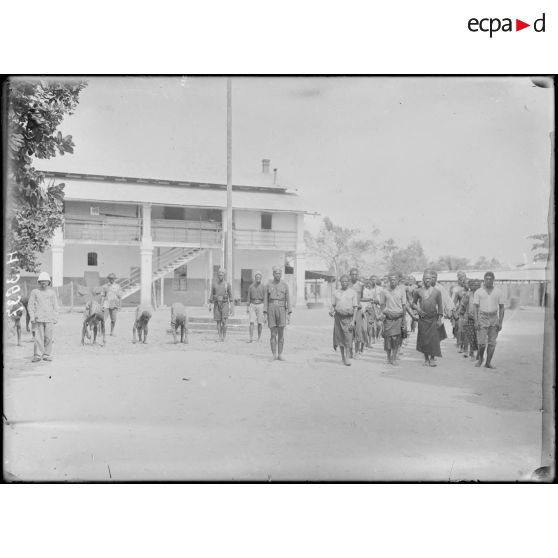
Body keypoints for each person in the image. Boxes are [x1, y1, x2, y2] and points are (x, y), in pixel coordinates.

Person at [473, 271, 505, 369]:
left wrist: (500, 321)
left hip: (494, 318)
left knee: (492, 343)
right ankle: (480, 359)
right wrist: (476, 321)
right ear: (484, 280)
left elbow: (502, 307)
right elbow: (475, 307)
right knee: (482, 343)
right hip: (482, 317)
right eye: (486, 279)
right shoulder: (478, 292)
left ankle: (488, 363)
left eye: (490, 279)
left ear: (493, 280)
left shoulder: (498, 292)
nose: (488, 281)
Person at [412, 271, 444, 367]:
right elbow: (413, 303)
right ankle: (426, 359)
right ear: (423, 280)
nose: (427, 280)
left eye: (429, 279)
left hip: (433, 318)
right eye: (426, 279)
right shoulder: (418, 291)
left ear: (432, 280)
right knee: (424, 339)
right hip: (423, 319)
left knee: (434, 339)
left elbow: (440, 307)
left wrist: (439, 319)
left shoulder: (437, 292)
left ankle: (432, 359)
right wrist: (418, 309)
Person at [27, 272, 59, 362]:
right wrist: (32, 317)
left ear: (49, 282)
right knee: (38, 338)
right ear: (39, 282)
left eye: (45, 281)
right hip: (38, 319)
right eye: (41, 281)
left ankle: (46, 354)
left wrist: (55, 317)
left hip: (49, 319)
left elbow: (55, 306)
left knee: (48, 337)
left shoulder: (52, 293)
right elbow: (30, 306)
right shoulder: (35, 292)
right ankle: (37, 355)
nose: (43, 283)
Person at [263, 266, 292, 361]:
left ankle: (280, 354)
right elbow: (266, 300)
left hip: (282, 309)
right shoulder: (268, 284)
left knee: (281, 333)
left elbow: (288, 299)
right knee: (272, 333)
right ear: (273, 274)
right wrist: (265, 314)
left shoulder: (285, 285)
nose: (278, 275)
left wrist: (289, 314)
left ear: (281, 274)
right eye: (276, 273)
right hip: (271, 308)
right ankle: (273, 355)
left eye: (279, 273)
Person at [330, 274, 358, 366]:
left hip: (348, 318)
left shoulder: (353, 293)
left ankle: (347, 358)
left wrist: (353, 321)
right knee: (340, 338)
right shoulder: (336, 292)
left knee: (348, 338)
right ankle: (343, 358)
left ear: (348, 282)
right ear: (340, 282)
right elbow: (333, 305)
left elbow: (355, 308)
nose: (344, 283)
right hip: (338, 317)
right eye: (343, 281)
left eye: (346, 281)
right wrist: (331, 311)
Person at [379, 273, 407, 365]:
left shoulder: (402, 291)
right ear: (389, 280)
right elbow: (382, 305)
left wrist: (403, 319)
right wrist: (385, 313)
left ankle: (394, 358)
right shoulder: (384, 291)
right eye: (391, 279)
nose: (393, 281)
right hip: (388, 317)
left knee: (396, 338)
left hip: (398, 317)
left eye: (394, 279)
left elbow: (404, 306)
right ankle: (388, 358)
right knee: (388, 338)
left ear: (398, 280)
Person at [209, 268, 233, 341]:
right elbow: (211, 295)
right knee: (218, 321)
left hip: (225, 303)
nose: (220, 276)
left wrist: (231, 306)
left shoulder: (227, 284)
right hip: (217, 304)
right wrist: (210, 304)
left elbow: (230, 296)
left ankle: (224, 336)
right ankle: (220, 336)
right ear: (217, 275)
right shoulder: (214, 284)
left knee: (224, 321)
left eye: (222, 275)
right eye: (219, 275)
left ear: (224, 275)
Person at [348, 267, 367, 358]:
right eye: (353, 274)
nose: (354, 276)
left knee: (358, 331)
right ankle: (350, 351)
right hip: (349, 310)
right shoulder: (347, 285)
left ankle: (356, 352)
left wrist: (369, 300)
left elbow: (361, 297)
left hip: (358, 310)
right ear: (350, 275)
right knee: (349, 331)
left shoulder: (361, 285)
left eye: (356, 274)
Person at [430, 270, 453, 343]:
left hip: (438, 313)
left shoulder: (440, 288)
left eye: (435, 277)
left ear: (437, 278)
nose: (433, 279)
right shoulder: (425, 287)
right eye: (431, 277)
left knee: (438, 331)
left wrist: (449, 310)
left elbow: (447, 299)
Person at [460, 279, 481, 359]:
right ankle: (471, 353)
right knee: (471, 336)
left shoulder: (482, 294)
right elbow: (463, 304)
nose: (475, 286)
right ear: (470, 286)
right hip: (470, 318)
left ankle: (478, 353)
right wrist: (462, 313)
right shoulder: (468, 295)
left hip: (480, 318)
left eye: (477, 285)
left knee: (478, 337)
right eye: (473, 285)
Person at [246, 270, 266, 343]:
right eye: (257, 277)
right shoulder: (251, 286)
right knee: (251, 322)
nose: (258, 278)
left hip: (261, 305)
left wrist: (265, 309)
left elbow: (265, 298)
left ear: (261, 278)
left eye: (259, 277)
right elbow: (248, 297)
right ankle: (250, 338)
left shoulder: (264, 287)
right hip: (252, 305)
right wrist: (247, 307)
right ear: (255, 278)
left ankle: (259, 338)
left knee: (260, 323)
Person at [452, 271, 468, 347]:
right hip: (460, 310)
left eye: (464, 280)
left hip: (470, 311)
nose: (463, 281)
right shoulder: (457, 290)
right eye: (461, 279)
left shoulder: (472, 291)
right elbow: (453, 302)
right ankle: (459, 342)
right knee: (458, 327)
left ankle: (465, 344)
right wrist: (453, 312)